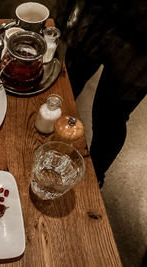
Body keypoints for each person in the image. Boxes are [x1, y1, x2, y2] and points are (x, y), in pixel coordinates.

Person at [55, 0, 147, 187]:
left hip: (142, 34)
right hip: (98, 12)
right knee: (65, 85)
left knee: (110, 115)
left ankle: (92, 176)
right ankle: (48, 144)